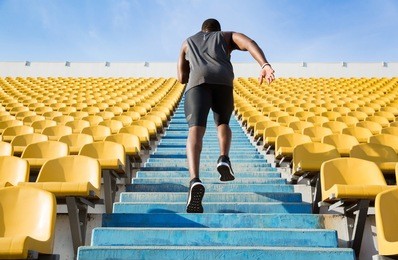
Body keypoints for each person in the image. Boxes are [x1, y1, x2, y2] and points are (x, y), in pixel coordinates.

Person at [177, 18, 275, 213]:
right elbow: (249, 43)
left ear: (202, 29)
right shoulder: (226, 36)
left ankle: (195, 180)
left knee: (195, 129)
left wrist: (194, 64)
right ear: (217, 30)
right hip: (223, 80)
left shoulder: (188, 41)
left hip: (198, 82)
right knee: (223, 123)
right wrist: (264, 64)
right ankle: (223, 157)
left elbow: (181, 78)